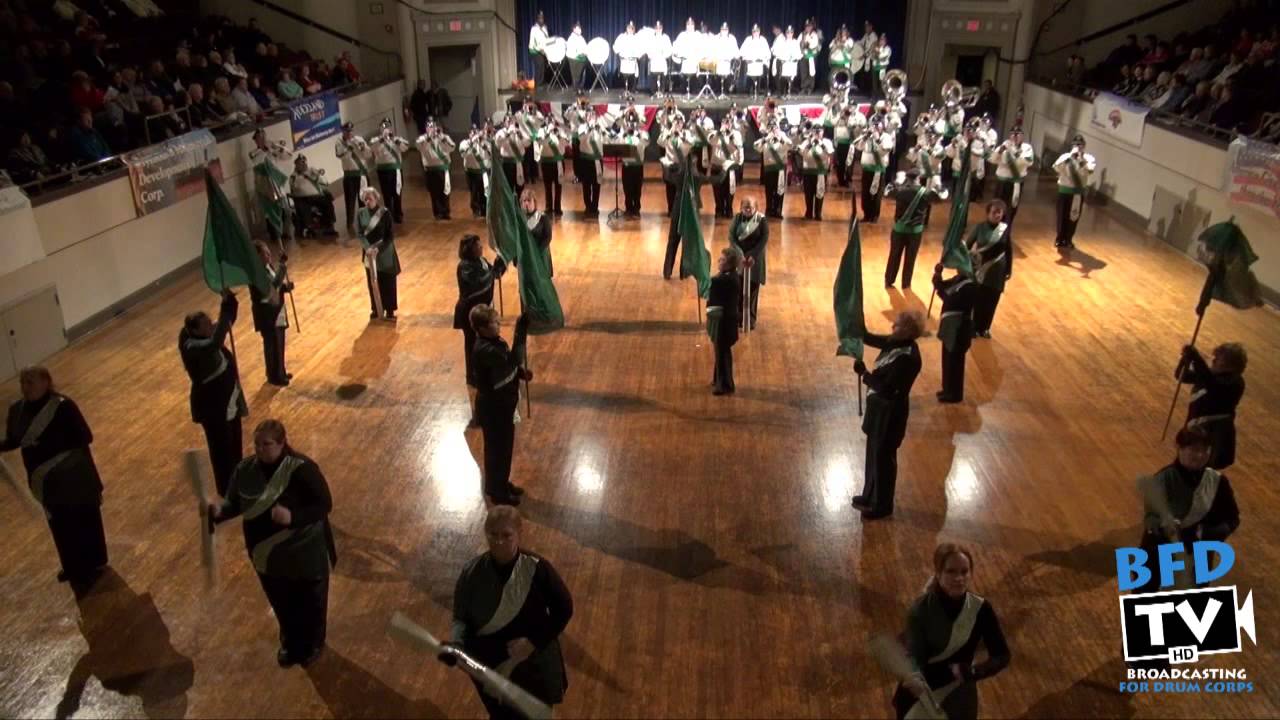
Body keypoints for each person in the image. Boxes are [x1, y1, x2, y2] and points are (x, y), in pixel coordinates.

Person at [211, 419, 335, 668]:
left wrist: (293, 517)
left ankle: (313, 643)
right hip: (266, 555)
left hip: (305, 553)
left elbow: (324, 505)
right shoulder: (244, 470)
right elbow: (235, 503)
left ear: (281, 443)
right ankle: (290, 642)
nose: (259, 449)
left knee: (310, 603)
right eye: (256, 444)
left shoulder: (303, 469)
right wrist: (217, 512)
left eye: (266, 444)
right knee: (281, 601)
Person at [449, 506, 573, 718]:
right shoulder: (471, 573)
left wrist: (532, 642)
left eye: (506, 535)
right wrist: (459, 646)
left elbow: (564, 608)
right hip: (490, 662)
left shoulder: (537, 568)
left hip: (532, 663)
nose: (499, 542)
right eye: (493, 535)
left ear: (519, 534)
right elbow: (460, 617)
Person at [1, 366, 108, 586]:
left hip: (72, 474)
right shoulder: (17, 410)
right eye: (23, 383)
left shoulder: (63, 406)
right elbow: (14, 440)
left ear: (46, 382)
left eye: (31, 382)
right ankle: (71, 565)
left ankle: (92, 564)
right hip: (45, 479)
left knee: (81, 519)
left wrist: (44, 445)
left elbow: (84, 436)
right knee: (58, 522)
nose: (26, 387)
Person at [892, 544, 1011, 719]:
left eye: (964, 572)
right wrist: (913, 673)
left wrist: (975, 672)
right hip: (922, 691)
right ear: (938, 573)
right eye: (951, 571)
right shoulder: (920, 610)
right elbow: (916, 657)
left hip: (960, 691)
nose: (959, 578)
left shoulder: (981, 608)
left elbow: (1002, 655)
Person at [851, 311, 923, 519]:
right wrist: (858, 327)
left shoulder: (908, 358)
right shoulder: (897, 343)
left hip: (890, 415)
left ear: (908, 331)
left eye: (897, 325)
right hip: (879, 411)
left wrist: (865, 375)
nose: (892, 326)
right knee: (873, 455)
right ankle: (869, 495)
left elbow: (888, 389)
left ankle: (882, 506)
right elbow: (872, 338)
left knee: (884, 460)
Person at [179, 292, 248, 496]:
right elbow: (215, 342)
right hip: (213, 407)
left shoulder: (204, 335)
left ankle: (239, 481)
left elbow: (225, 324)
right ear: (195, 330)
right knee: (221, 451)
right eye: (207, 325)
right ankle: (227, 490)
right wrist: (224, 310)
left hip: (228, 401)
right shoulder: (192, 346)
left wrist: (229, 302)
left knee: (235, 444)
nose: (212, 326)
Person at [470, 307, 532, 505]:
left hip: (503, 404)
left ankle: (501, 483)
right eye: (493, 323)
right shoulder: (485, 349)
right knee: (497, 451)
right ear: (481, 328)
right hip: (494, 408)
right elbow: (513, 359)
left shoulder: (493, 342)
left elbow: (506, 368)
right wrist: (520, 332)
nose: (498, 325)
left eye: (497, 321)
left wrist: (520, 373)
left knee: (504, 449)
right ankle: (497, 492)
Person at [456, 236, 508, 426]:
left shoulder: (482, 262)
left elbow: (494, 275)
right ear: (469, 249)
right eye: (477, 245)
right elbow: (479, 283)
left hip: (482, 310)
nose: (481, 247)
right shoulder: (465, 266)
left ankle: (480, 373)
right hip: (470, 312)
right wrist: (492, 272)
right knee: (471, 345)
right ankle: (472, 376)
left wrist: (500, 262)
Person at [1176, 343, 1246, 469]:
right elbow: (1182, 376)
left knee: (1201, 468)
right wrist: (1185, 359)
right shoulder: (1212, 376)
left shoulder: (1235, 383)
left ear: (1230, 365)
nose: (1213, 360)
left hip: (1214, 435)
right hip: (1196, 431)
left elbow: (1213, 385)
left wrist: (1196, 358)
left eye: (1218, 359)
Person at [885, 170, 944, 289]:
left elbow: (887, 192)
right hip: (915, 232)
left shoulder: (900, 191)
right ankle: (906, 283)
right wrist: (938, 185)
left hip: (899, 230)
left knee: (894, 256)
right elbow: (941, 197)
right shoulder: (925, 193)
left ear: (906, 178)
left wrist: (897, 181)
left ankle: (889, 280)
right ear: (918, 178)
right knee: (910, 258)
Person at [962, 200, 1011, 340]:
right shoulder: (980, 227)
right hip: (982, 270)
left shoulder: (1004, 229)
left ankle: (985, 328)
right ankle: (974, 327)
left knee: (992, 300)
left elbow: (1008, 250)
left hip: (997, 271)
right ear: (988, 213)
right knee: (979, 300)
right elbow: (967, 246)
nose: (997, 215)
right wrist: (966, 263)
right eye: (994, 212)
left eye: (999, 213)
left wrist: (1008, 270)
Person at [249, 242, 294, 387]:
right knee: (272, 345)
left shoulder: (268, 267)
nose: (269, 255)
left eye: (269, 252)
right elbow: (271, 287)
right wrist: (282, 266)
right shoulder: (256, 274)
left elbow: (278, 286)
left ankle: (280, 370)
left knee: (279, 343)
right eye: (265, 253)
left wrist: (286, 287)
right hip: (267, 314)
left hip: (277, 310)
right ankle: (274, 376)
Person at [932, 263, 977, 404]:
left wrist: (942, 291)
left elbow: (950, 299)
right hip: (950, 326)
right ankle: (947, 389)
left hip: (959, 329)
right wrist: (938, 275)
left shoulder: (970, 285)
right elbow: (942, 288)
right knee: (947, 359)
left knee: (955, 363)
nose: (957, 266)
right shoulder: (959, 279)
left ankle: (955, 394)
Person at [357, 187, 401, 321]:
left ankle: (390, 310)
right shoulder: (361, 213)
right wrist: (367, 248)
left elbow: (390, 235)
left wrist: (378, 248)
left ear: (376, 199)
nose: (367, 201)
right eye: (365, 199)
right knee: (373, 282)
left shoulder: (385, 213)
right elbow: (360, 234)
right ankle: (376, 308)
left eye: (369, 198)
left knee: (388, 282)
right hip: (369, 253)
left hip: (384, 251)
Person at [707, 247, 743, 396]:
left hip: (725, 324)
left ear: (729, 264)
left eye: (722, 260)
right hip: (725, 322)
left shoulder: (726, 279)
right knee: (720, 353)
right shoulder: (731, 276)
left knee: (722, 354)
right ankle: (719, 379)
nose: (718, 262)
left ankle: (725, 385)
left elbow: (711, 282)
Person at [249, 129, 293, 251]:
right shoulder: (255, 153)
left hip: (278, 186)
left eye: (264, 137)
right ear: (256, 140)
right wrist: (266, 149)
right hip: (266, 189)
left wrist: (277, 147)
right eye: (259, 138)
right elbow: (257, 161)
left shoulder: (272, 149)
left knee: (286, 210)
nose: (262, 140)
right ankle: (276, 238)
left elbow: (288, 156)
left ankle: (285, 232)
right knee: (271, 215)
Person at [1051, 135, 1096, 249]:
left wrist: (1081, 160)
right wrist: (1070, 158)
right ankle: (1059, 238)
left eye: (1080, 145)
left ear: (1084, 146)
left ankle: (1069, 239)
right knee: (1062, 215)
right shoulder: (1065, 156)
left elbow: (1090, 170)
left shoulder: (1089, 158)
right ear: (1072, 146)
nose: (1078, 147)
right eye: (1076, 145)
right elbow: (1056, 168)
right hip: (1064, 190)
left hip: (1077, 192)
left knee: (1074, 216)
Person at [729, 197, 767, 329]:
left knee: (753, 290)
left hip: (755, 260)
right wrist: (740, 254)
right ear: (741, 208)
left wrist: (751, 255)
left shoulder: (761, 220)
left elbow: (763, 240)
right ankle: (739, 317)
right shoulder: (737, 219)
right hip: (740, 260)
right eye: (745, 207)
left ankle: (751, 319)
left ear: (756, 208)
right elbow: (731, 238)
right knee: (738, 289)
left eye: (751, 207)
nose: (748, 209)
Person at [992, 127, 1034, 232]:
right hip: (1002, 181)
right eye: (1013, 134)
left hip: (1015, 182)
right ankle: (994, 226)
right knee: (998, 205)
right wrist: (1001, 150)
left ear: (1022, 136)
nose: (1015, 136)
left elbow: (1027, 161)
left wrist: (1014, 153)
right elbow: (993, 159)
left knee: (1012, 207)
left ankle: (1006, 229)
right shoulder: (1004, 145)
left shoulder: (1026, 147)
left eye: (1018, 134)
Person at [370, 119, 411, 224]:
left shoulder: (397, 139)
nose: (386, 129)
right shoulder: (376, 140)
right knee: (386, 195)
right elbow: (373, 148)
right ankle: (389, 215)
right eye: (383, 127)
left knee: (397, 193)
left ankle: (398, 214)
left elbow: (406, 148)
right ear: (380, 128)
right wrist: (381, 139)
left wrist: (395, 140)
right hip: (383, 170)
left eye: (388, 126)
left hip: (395, 170)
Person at [335, 123, 372, 235]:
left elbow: (368, 155)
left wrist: (362, 147)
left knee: (363, 199)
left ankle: (364, 221)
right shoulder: (339, 142)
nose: (349, 133)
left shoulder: (359, 139)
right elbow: (340, 155)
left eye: (351, 131)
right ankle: (349, 224)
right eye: (347, 131)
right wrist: (349, 149)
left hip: (361, 174)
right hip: (349, 175)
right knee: (350, 201)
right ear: (343, 131)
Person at [289, 156, 339, 239]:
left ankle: (330, 225)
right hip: (303, 198)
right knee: (302, 206)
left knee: (327, 202)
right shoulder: (294, 176)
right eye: (301, 163)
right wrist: (302, 176)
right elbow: (295, 187)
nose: (304, 164)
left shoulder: (311, 170)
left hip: (316, 196)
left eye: (305, 162)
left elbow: (325, 182)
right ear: (296, 165)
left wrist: (317, 175)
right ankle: (310, 227)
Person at [856, 117, 895, 222]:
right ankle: (866, 214)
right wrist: (865, 137)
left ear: (882, 126)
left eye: (877, 125)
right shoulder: (867, 135)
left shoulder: (886, 137)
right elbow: (859, 148)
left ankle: (874, 216)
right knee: (865, 193)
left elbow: (884, 151)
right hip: (866, 169)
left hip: (878, 170)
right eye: (873, 125)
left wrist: (877, 139)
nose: (875, 127)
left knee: (876, 194)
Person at [417, 120, 456, 220]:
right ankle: (437, 213)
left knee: (445, 191)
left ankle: (446, 212)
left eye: (433, 126)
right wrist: (428, 138)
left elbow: (452, 147)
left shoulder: (444, 137)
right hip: (430, 169)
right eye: (429, 127)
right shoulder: (422, 139)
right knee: (434, 192)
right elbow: (419, 146)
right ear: (426, 129)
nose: (432, 129)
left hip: (443, 168)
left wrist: (442, 138)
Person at [754, 118, 791, 218]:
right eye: (771, 127)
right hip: (769, 168)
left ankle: (778, 210)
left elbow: (790, 146)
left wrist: (780, 138)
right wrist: (766, 139)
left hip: (780, 168)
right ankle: (769, 209)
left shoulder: (783, 135)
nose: (773, 129)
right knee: (769, 190)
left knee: (780, 189)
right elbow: (756, 147)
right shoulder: (766, 138)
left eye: (775, 127)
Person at [797, 124, 833, 221]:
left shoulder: (827, 142)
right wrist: (810, 143)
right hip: (808, 171)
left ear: (823, 132)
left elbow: (830, 153)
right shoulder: (807, 142)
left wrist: (820, 143)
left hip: (820, 172)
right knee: (808, 193)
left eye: (819, 131)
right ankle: (808, 213)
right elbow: (801, 152)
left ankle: (818, 213)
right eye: (815, 131)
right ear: (812, 132)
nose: (817, 133)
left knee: (819, 192)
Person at [539, 117, 567, 216]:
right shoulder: (541, 131)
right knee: (547, 186)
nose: (551, 122)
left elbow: (566, 143)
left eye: (552, 121)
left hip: (558, 162)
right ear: (545, 122)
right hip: (546, 162)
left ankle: (558, 207)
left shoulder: (560, 131)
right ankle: (548, 207)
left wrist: (558, 135)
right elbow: (542, 143)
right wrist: (548, 132)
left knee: (558, 185)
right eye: (549, 120)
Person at [620, 118, 648, 217]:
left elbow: (646, 142)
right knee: (627, 188)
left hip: (637, 166)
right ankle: (628, 208)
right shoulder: (623, 135)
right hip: (627, 166)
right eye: (629, 124)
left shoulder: (642, 135)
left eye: (633, 124)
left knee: (637, 188)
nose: (631, 126)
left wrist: (639, 134)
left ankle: (636, 209)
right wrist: (624, 134)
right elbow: (617, 143)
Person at [522, 189, 553, 276]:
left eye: (529, 200)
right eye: (524, 201)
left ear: (534, 202)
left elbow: (548, 237)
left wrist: (536, 253)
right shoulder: (520, 219)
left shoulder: (542, 217)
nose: (526, 203)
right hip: (527, 257)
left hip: (540, 255)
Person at [528, 11, 550, 84]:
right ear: (537, 19)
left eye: (542, 18)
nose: (542, 20)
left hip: (542, 50)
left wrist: (546, 49)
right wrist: (539, 50)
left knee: (543, 66)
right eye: (540, 18)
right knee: (539, 65)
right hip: (534, 50)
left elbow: (546, 40)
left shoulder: (545, 28)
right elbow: (532, 42)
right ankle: (538, 83)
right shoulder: (534, 28)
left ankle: (541, 82)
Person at [566, 23, 588, 91]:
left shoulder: (581, 38)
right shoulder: (571, 38)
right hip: (573, 58)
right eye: (578, 29)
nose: (580, 30)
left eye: (580, 29)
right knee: (575, 74)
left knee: (580, 74)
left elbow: (585, 47)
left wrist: (585, 52)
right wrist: (580, 53)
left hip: (581, 58)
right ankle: (576, 88)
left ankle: (580, 87)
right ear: (574, 29)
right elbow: (572, 50)